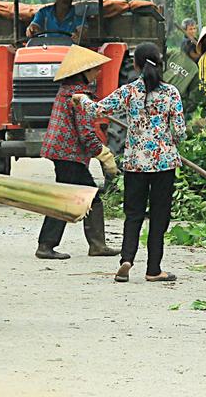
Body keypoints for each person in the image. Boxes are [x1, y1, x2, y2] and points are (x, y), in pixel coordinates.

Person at [77, 42, 185, 284]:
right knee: (159, 216)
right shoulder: (171, 93)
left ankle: (127, 258)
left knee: (133, 214)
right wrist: (166, 138)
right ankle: (154, 269)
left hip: (135, 163)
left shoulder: (129, 91)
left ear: (135, 65)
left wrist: (81, 99)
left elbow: (97, 111)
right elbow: (179, 132)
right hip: (164, 164)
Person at [35, 45, 121, 260]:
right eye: (94, 70)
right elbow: (85, 133)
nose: (97, 73)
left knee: (79, 196)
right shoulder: (78, 96)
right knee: (81, 196)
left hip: (62, 152)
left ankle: (93, 244)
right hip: (68, 154)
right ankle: (50, 245)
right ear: (82, 72)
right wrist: (103, 154)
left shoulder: (68, 91)